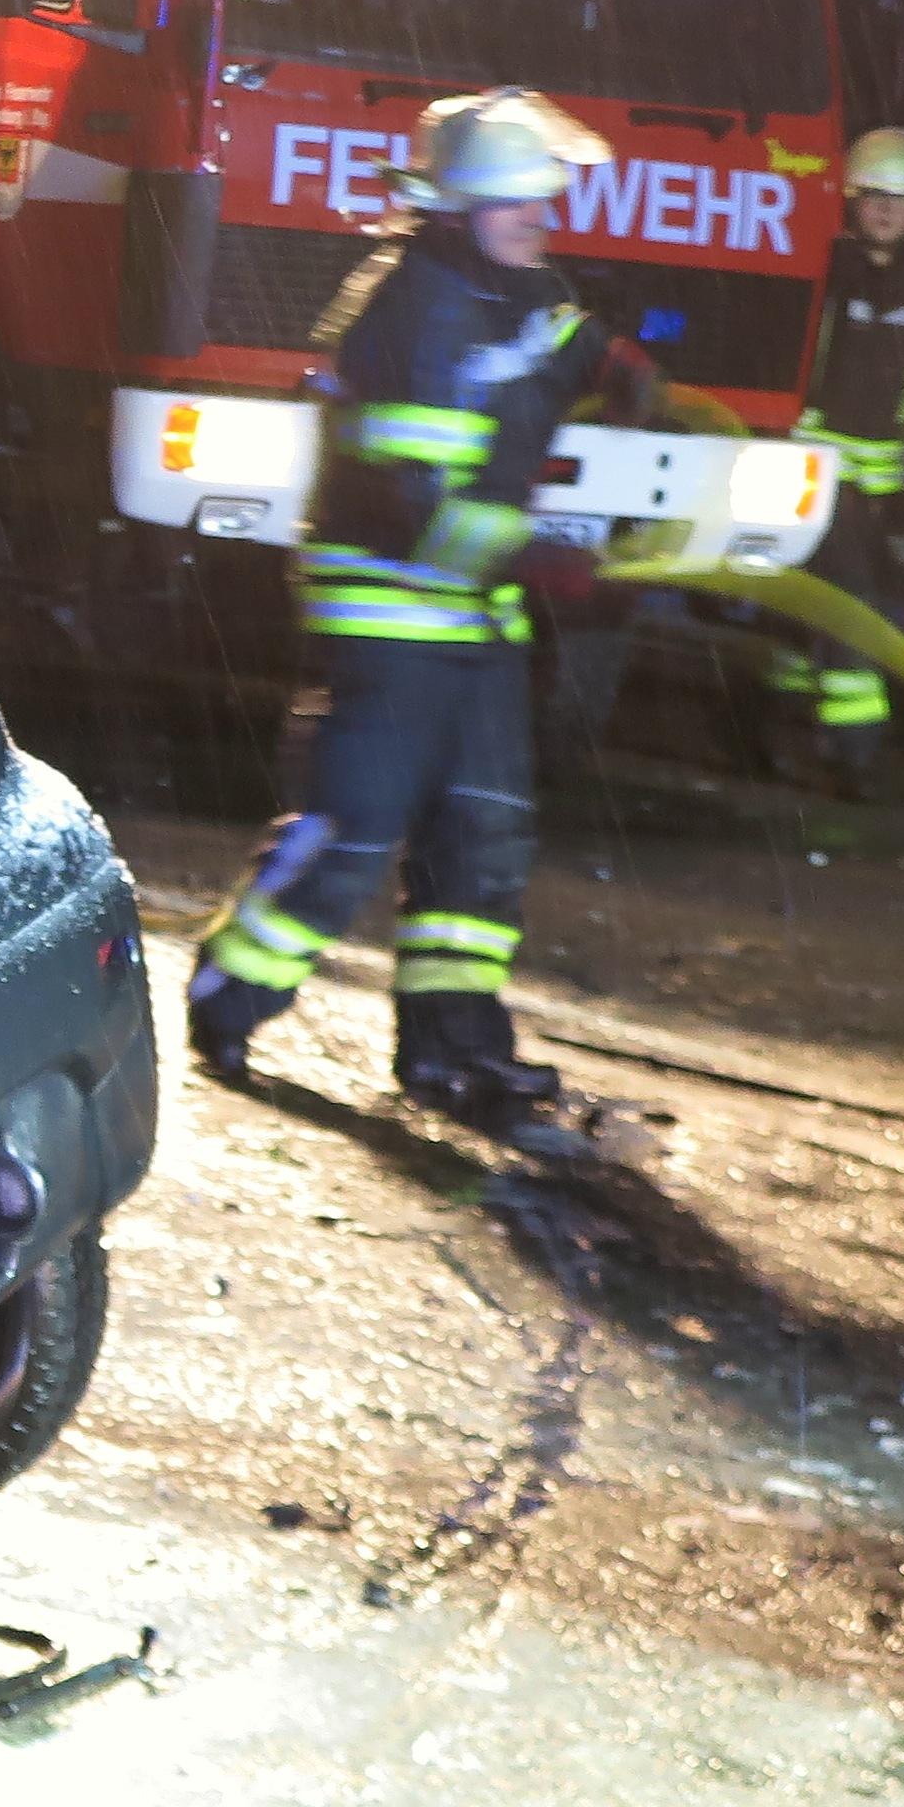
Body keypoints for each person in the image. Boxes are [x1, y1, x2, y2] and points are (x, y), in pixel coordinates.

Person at [188, 91, 624, 1122]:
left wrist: (618, 366)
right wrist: (540, 560)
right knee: (350, 832)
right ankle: (227, 996)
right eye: (515, 203)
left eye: (541, 201)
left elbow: (551, 343)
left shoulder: (510, 288)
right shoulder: (409, 311)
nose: (537, 219)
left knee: (479, 844)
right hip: (387, 625)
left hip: (475, 631)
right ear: (452, 211)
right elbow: (415, 506)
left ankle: (453, 1049)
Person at [779, 128, 904, 788]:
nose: (886, 211)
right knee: (852, 598)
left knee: (857, 601)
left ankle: (796, 714)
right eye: (874, 197)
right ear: (853, 200)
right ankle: (854, 749)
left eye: (901, 199)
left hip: (886, 488)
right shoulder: (822, 269)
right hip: (815, 470)